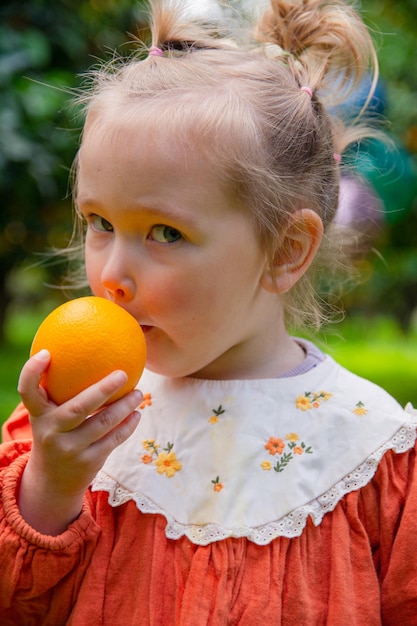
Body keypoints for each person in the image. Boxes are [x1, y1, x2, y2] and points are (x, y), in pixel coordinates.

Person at [1, 0, 416, 623]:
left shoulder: (369, 453)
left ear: (285, 250)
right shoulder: (73, 423)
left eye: (164, 233)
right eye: (101, 223)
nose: (112, 274)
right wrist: (51, 486)